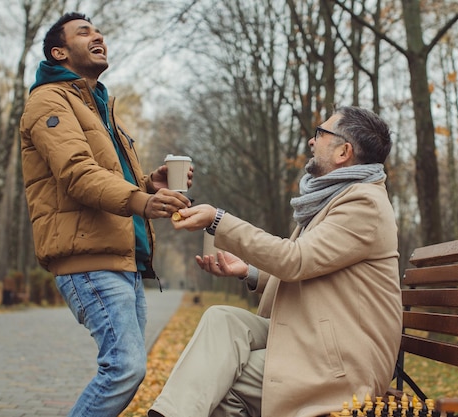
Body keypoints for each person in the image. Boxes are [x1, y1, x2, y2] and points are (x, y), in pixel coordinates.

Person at [149, 106, 402, 417]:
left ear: (343, 152)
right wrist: (249, 271)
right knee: (223, 320)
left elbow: (294, 261)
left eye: (320, 134)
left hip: (342, 363)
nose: (312, 142)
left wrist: (218, 220)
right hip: (315, 338)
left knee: (221, 382)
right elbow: (312, 270)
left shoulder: (363, 203)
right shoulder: (334, 199)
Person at [19, 12, 192, 417]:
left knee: (126, 368)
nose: (98, 36)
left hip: (122, 259)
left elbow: (111, 178)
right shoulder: (48, 100)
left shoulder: (98, 105)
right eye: (85, 32)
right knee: (124, 368)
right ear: (59, 52)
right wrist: (141, 201)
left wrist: (151, 184)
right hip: (88, 260)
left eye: (99, 31)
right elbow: (78, 174)